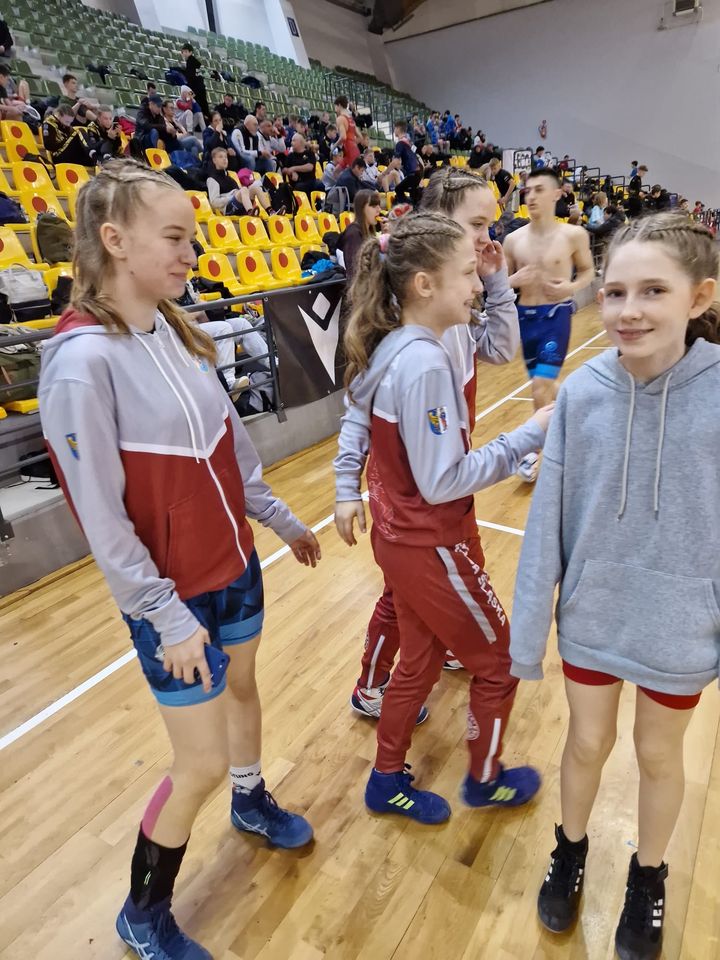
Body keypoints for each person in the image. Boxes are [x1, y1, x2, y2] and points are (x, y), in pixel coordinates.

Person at [39, 159, 321, 960]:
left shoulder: (175, 330)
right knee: (196, 763)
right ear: (114, 240)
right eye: (174, 237)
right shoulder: (80, 364)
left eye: (191, 238)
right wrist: (165, 616)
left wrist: (277, 517)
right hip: (171, 602)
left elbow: (230, 446)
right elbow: (101, 520)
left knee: (244, 690)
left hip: (235, 568)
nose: (191, 253)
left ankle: (250, 799)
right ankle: (143, 910)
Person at [510, 213, 719, 960]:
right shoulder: (581, 394)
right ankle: (570, 851)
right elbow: (547, 520)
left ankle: (648, 875)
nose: (630, 309)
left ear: (700, 297)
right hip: (594, 615)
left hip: (681, 628)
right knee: (586, 743)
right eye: (617, 292)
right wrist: (528, 632)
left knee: (660, 759)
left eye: (654, 290)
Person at [336, 211, 552, 823]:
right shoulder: (426, 363)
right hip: (430, 542)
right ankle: (484, 779)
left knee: (421, 660)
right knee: (501, 662)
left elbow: (359, 420)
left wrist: (345, 486)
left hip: (400, 537)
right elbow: (442, 481)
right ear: (424, 284)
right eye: (466, 273)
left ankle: (385, 779)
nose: (477, 284)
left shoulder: (391, 344)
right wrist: (528, 435)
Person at [504, 168, 594, 481]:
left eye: (539, 190)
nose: (531, 196)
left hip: (557, 316)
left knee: (540, 386)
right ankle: (576, 408)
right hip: (525, 320)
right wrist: (513, 280)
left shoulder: (573, 235)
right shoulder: (513, 240)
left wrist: (570, 287)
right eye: (528, 191)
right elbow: (500, 284)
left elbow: (588, 272)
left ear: (557, 194)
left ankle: (533, 452)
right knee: (544, 385)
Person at [206, 146, 269, 216]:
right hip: (228, 209)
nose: (224, 159)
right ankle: (250, 212)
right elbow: (214, 202)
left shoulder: (229, 177)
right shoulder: (212, 179)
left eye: (226, 157)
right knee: (243, 189)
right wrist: (232, 197)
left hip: (239, 203)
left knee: (255, 188)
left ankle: (270, 211)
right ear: (214, 160)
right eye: (220, 157)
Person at [336, 189, 380, 282]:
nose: (378, 210)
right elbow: (354, 271)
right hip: (362, 287)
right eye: (373, 206)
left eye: (378, 206)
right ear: (362, 209)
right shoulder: (353, 234)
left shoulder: (370, 231)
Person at [282, 132, 323, 198]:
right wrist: (290, 172)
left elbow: (310, 167)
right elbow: (284, 169)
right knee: (300, 187)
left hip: (311, 181)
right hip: (297, 183)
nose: (291, 143)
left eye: (294, 141)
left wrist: (294, 168)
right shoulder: (290, 156)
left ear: (300, 142)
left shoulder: (309, 153)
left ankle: (321, 203)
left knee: (320, 184)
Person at [179, 43, 208, 118]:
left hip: (195, 88)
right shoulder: (194, 62)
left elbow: (190, 77)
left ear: (190, 52)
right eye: (183, 52)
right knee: (204, 107)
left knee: (196, 106)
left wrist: (190, 93)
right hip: (200, 87)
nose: (184, 53)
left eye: (186, 51)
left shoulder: (190, 62)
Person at [333, 95, 359, 172]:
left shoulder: (340, 118)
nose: (335, 110)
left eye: (335, 107)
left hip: (349, 150)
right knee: (336, 172)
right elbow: (360, 137)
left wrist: (335, 145)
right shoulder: (351, 119)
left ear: (339, 105)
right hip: (353, 149)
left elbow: (343, 137)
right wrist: (353, 144)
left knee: (350, 176)